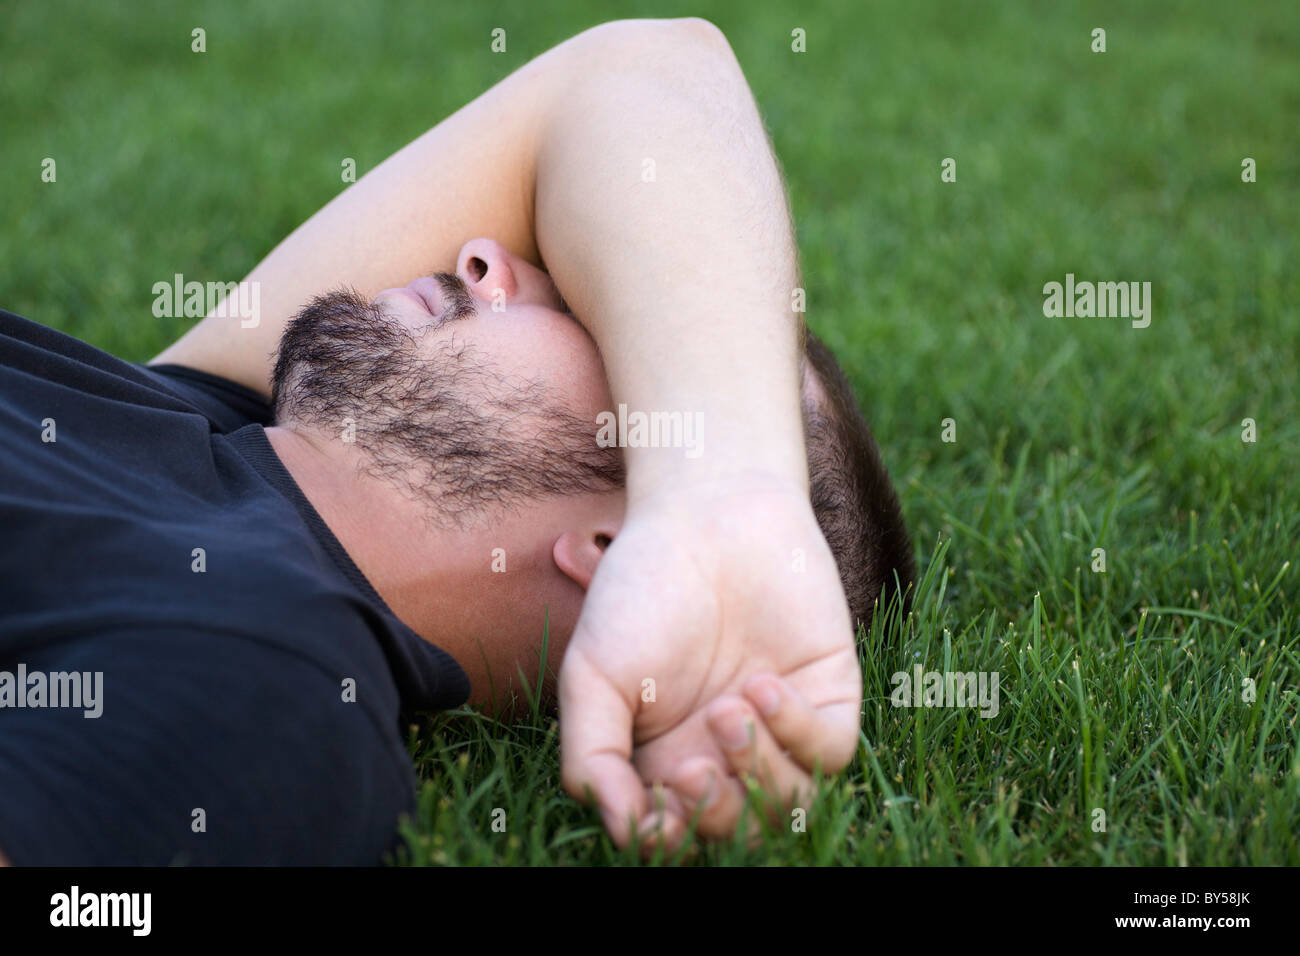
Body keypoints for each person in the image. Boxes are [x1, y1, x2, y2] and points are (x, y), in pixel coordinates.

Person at [0, 18, 911, 864]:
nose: (485, 256)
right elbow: (643, 72)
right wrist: (726, 487)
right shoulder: (201, 418)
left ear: (615, 546)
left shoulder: (270, 690)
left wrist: (716, 529)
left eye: (586, 315)